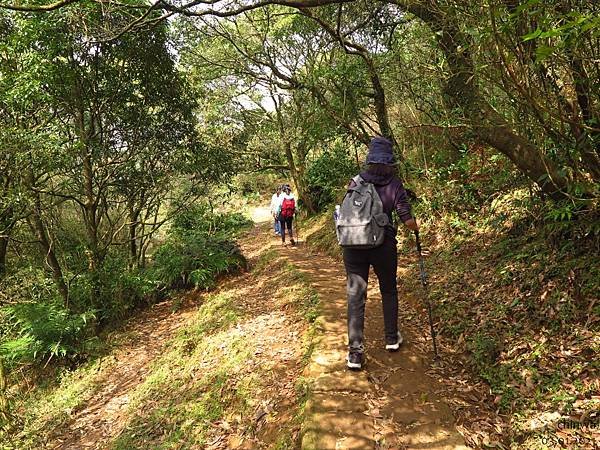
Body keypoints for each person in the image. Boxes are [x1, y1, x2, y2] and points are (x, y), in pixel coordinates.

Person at [343, 137, 419, 370]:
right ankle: (391, 338)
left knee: (356, 297)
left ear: (369, 160)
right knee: (388, 289)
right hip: (382, 245)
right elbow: (406, 219)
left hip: (353, 245)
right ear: (389, 161)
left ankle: (355, 354)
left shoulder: (356, 181)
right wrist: (415, 227)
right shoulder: (394, 184)